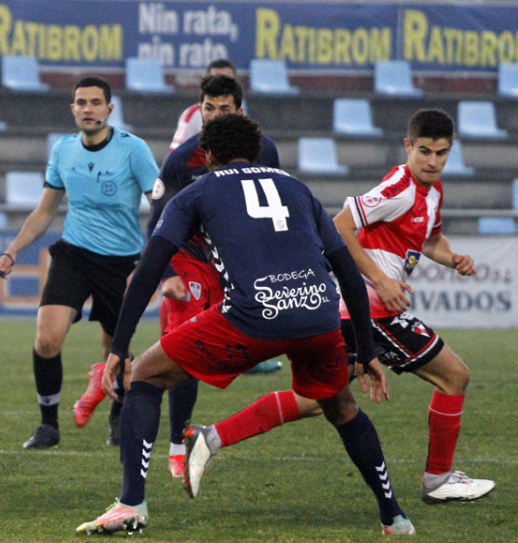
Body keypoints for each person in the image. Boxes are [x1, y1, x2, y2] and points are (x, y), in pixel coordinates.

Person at [77, 114, 415, 536]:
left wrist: (118, 348)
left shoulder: (197, 191)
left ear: (208, 155)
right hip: (319, 314)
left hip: (252, 316)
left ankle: (131, 503)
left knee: (145, 373)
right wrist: (365, 351)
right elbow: (347, 270)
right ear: (256, 152)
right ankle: (394, 518)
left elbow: (150, 269)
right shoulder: (298, 189)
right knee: (342, 407)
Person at [189, 108, 496, 505]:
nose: (432, 161)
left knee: (319, 400)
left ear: (450, 151)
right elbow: (340, 226)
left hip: (360, 312)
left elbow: (430, 240)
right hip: (375, 311)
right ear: (408, 146)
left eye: (441, 153)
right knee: (455, 376)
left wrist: (453, 258)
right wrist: (382, 281)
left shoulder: (432, 193)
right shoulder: (400, 188)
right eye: (424, 151)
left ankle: (211, 437)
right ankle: (438, 480)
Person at [0, 76, 158, 449]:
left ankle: (118, 419)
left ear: (109, 109)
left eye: (95, 102)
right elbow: (45, 211)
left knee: (115, 350)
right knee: (47, 339)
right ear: (73, 109)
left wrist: (150, 262)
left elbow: (162, 206)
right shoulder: (63, 150)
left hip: (121, 262)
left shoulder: (134, 151)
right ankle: (48, 425)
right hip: (74, 255)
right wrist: (13, 249)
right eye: (81, 103)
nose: (88, 109)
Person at [146, 74, 281, 478]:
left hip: (237, 260)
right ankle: (176, 443)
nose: (216, 115)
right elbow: (156, 219)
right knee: (187, 347)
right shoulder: (179, 160)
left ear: (239, 112)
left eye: (225, 108)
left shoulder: (266, 152)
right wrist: (166, 272)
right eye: (209, 108)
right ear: (199, 112)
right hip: (192, 259)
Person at [168, 59, 236, 151]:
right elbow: (175, 152)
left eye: (227, 80)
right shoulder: (193, 114)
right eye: (216, 79)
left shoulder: (239, 112)